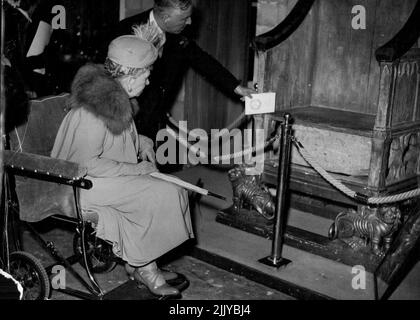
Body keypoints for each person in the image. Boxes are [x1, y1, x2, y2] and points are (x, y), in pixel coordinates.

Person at [51, 35, 194, 298]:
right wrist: (136, 169)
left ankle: (141, 259)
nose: (149, 80)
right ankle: (143, 267)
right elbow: (85, 162)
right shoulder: (92, 111)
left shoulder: (113, 99)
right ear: (129, 76)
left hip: (99, 179)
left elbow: (111, 139)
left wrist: (140, 140)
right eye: (146, 75)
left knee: (169, 187)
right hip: (77, 187)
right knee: (160, 192)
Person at [111, 0, 256, 141]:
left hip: (157, 120)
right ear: (166, 18)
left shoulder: (178, 33)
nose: (190, 22)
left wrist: (237, 88)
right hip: (127, 122)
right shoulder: (124, 31)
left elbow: (202, 60)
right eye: (184, 18)